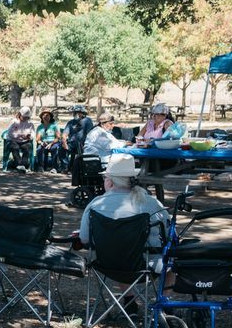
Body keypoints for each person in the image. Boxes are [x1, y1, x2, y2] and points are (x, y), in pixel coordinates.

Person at [78, 154, 172, 313]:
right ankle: (164, 304)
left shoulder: (95, 205)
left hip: (109, 265)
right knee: (173, 259)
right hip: (146, 266)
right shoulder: (151, 203)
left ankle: (129, 301)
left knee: (119, 247)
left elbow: (84, 239)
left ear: (109, 181)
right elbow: (168, 235)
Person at [63, 105, 94, 172]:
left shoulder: (87, 121)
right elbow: (65, 134)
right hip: (71, 143)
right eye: (75, 112)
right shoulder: (71, 122)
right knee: (61, 147)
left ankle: (79, 168)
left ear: (83, 113)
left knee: (80, 148)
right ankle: (65, 166)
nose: (76, 114)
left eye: (78, 112)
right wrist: (64, 142)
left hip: (82, 143)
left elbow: (90, 134)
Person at [6, 108, 35, 173]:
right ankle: (19, 164)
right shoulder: (14, 122)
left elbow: (33, 134)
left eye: (27, 117)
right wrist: (20, 135)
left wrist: (29, 137)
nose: (25, 118)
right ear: (20, 115)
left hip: (25, 141)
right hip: (14, 140)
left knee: (28, 147)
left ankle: (23, 164)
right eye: (24, 117)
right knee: (15, 147)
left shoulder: (30, 124)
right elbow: (10, 133)